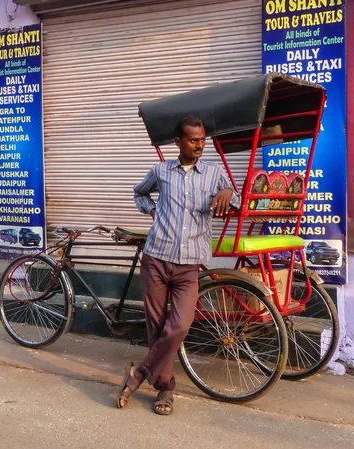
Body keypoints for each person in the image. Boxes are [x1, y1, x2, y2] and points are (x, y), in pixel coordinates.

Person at [118, 116, 240, 415]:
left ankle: (138, 375)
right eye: (193, 140)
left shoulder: (213, 173)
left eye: (202, 140)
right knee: (157, 327)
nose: (200, 145)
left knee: (179, 327)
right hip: (157, 258)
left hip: (188, 266)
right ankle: (165, 390)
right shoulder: (161, 171)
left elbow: (233, 197)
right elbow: (139, 192)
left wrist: (227, 193)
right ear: (178, 142)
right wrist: (154, 208)